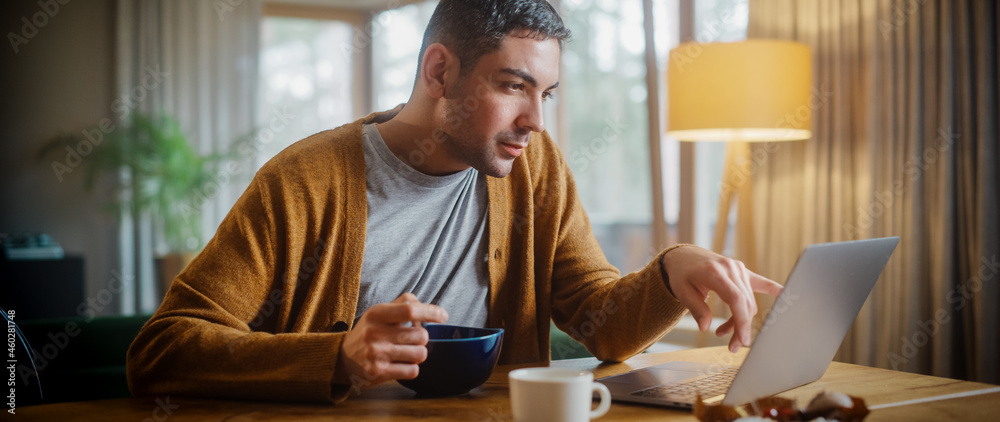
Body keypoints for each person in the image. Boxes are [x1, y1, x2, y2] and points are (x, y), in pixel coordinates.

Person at [127, 0, 782, 404]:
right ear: (440, 72)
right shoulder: (303, 183)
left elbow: (602, 323)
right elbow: (162, 350)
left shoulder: (536, 169)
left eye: (545, 94)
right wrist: (337, 357)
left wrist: (674, 268)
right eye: (513, 86)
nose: (535, 122)